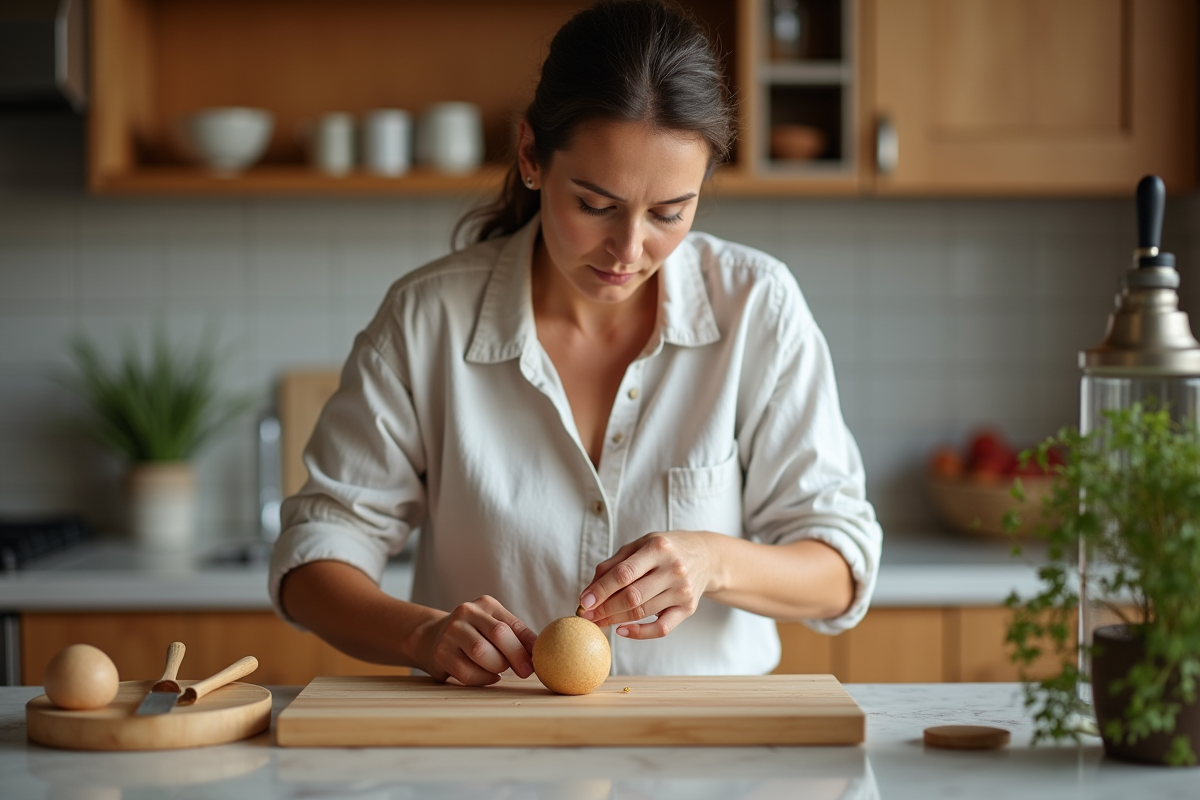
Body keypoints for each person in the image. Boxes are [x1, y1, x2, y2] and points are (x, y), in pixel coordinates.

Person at [271, 0, 881, 686]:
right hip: (483, 742)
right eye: (595, 205)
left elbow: (840, 568)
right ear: (531, 156)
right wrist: (420, 635)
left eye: (669, 213)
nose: (628, 249)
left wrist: (713, 561)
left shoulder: (758, 306)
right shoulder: (425, 319)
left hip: (706, 744)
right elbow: (312, 560)